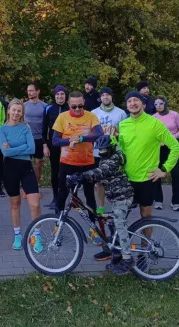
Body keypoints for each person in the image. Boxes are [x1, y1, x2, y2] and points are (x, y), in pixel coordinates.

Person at [118, 91, 179, 268]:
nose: (132, 103)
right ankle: (121, 253)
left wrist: (164, 170)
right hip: (126, 179)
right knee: (119, 217)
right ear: (126, 105)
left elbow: (176, 147)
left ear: (144, 105)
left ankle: (145, 253)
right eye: (129, 101)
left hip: (147, 179)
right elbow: (119, 150)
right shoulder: (122, 125)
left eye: (136, 100)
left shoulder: (155, 124)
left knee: (146, 217)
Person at [66, 135, 135, 273]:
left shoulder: (114, 159)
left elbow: (100, 171)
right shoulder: (106, 159)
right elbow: (98, 174)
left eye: (105, 149)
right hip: (116, 198)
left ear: (112, 148)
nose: (102, 152)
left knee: (119, 224)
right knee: (110, 223)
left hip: (123, 197)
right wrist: (81, 178)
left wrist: (81, 176)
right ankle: (115, 253)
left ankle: (128, 259)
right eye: (100, 149)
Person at [53, 91, 103, 244]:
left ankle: (93, 229)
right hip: (67, 163)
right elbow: (55, 140)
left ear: (84, 104)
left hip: (87, 163)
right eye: (74, 106)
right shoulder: (62, 117)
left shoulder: (90, 116)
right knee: (62, 196)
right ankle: (58, 225)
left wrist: (81, 138)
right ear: (69, 105)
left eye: (80, 106)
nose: (77, 109)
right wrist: (69, 141)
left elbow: (99, 134)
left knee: (90, 197)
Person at [0, 99, 41, 250]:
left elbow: (32, 149)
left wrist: (13, 149)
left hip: (26, 168)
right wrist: (22, 147)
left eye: (19, 111)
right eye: (14, 110)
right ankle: (17, 236)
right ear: (9, 111)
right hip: (10, 168)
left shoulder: (25, 127)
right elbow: (5, 152)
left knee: (34, 203)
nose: (16, 113)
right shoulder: (2, 129)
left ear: (22, 113)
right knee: (15, 204)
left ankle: (36, 236)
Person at [90, 87, 127, 214]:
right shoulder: (93, 113)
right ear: (100, 98)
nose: (105, 97)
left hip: (114, 151)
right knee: (99, 182)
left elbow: (124, 133)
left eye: (108, 95)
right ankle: (101, 207)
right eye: (103, 95)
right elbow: (90, 132)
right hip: (98, 152)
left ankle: (116, 207)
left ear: (112, 97)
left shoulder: (121, 113)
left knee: (114, 181)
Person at [152, 96, 179, 211]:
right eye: (156, 104)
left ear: (165, 103)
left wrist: (172, 138)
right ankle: (158, 200)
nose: (158, 106)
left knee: (178, 175)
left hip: (172, 147)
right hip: (159, 149)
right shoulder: (153, 118)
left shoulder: (174, 115)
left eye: (160, 103)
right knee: (156, 173)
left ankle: (176, 201)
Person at [41, 85, 69, 209]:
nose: (60, 96)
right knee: (55, 172)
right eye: (57, 94)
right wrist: (44, 145)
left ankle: (65, 197)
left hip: (67, 145)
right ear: (55, 95)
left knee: (65, 171)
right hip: (53, 144)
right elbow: (44, 128)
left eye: (62, 94)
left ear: (65, 95)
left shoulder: (70, 108)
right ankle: (55, 197)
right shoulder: (49, 108)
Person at [24, 81, 48, 190]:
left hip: (39, 139)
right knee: (26, 165)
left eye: (32, 90)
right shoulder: (24, 106)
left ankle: (36, 187)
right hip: (27, 139)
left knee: (38, 164)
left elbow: (48, 124)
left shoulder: (45, 106)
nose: (29, 93)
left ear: (38, 91)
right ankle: (27, 187)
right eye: (28, 91)